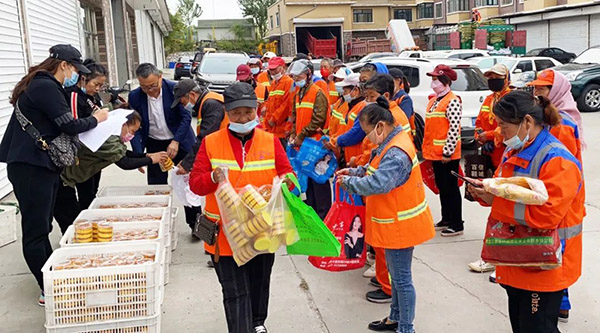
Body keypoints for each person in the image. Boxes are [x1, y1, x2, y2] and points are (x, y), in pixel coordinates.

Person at [0, 44, 108, 305]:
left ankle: (53, 275)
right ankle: (47, 287)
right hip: (30, 166)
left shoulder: (46, 85)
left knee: (46, 222)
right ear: (64, 66)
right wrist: (97, 119)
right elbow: (68, 124)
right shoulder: (45, 86)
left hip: (41, 165)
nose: (76, 77)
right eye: (75, 70)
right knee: (36, 229)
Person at [467, 91, 584, 333]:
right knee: (522, 327)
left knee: (537, 328)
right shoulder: (516, 151)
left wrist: (496, 200)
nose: (500, 132)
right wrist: (485, 190)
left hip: (544, 264)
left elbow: (547, 215)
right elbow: (509, 192)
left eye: (503, 126)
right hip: (518, 258)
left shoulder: (557, 160)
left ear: (527, 122)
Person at [189, 82, 295, 333]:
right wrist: (212, 178)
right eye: (237, 113)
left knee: (259, 284)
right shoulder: (211, 142)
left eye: (249, 112)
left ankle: (257, 323)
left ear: (256, 111)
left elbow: (288, 175)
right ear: (227, 112)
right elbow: (196, 184)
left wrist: (284, 185)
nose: (244, 117)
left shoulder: (270, 141)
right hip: (224, 234)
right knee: (235, 292)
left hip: (262, 230)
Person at [337, 97, 435, 333]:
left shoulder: (396, 152)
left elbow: (380, 182)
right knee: (396, 277)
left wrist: (350, 183)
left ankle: (406, 327)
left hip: (401, 226)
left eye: (368, 132)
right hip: (393, 223)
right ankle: (396, 318)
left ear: (380, 126)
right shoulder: (389, 143)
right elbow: (374, 169)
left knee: (401, 280)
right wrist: (355, 171)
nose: (367, 137)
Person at [527, 69, 585, 323]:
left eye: (543, 88)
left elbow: (559, 172)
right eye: (536, 87)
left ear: (558, 90)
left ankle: (559, 304)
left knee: (556, 253)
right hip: (559, 199)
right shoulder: (555, 119)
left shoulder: (560, 125)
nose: (537, 91)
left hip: (560, 202)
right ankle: (560, 303)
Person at [55, 112, 169, 230]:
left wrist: (145, 156)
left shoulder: (109, 131)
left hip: (71, 176)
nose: (132, 135)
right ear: (123, 124)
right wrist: (150, 160)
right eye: (132, 131)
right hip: (62, 178)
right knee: (71, 222)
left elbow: (123, 152)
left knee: (77, 217)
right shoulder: (107, 138)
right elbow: (124, 163)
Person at [128, 63, 196, 227]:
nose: (150, 91)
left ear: (160, 76)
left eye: (153, 86)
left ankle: (195, 223)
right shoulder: (135, 96)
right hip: (154, 143)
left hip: (180, 141)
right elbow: (135, 126)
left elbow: (186, 118)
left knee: (188, 184)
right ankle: (159, 223)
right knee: (156, 185)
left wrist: (176, 141)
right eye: (145, 87)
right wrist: (139, 155)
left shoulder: (175, 90)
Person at [468, 64, 512, 274]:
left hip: (504, 156)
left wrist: (491, 136)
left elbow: (506, 127)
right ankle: (497, 256)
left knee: (500, 208)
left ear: (507, 78)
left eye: (497, 77)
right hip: (491, 158)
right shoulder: (489, 99)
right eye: (490, 76)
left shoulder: (511, 98)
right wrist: (479, 134)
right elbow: (480, 121)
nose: (493, 80)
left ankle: (495, 256)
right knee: (494, 205)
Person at [172, 79, 226, 232]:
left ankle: (214, 233)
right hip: (218, 154)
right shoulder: (205, 103)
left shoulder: (211, 104)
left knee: (217, 200)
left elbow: (205, 137)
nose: (184, 106)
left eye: (183, 102)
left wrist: (188, 164)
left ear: (192, 94)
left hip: (223, 157)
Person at [423, 65, 464, 237]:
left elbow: (454, 128)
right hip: (434, 154)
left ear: (445, 81)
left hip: (447, 155)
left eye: (435, 79)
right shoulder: (434, 101)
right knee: (441, 187)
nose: (433, 82)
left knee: (451, 188)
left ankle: (456, 223)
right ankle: (446, 218)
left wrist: (448, 151)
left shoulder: (452, 100)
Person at [63, 59, 108, 211]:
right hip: (82, 153)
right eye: (96, 84)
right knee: (85, 192)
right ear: (83, 79)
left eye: (101, 86)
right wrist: (95, 118)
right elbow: (75, 125)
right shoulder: (74, 96)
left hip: (94, 148)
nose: (98, 88)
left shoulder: (92, 97)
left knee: (93, 189)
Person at [288, 59, 332, 220]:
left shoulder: (317, 93)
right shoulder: (298, 94)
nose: (296, 80)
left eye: (298, 76)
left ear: (308, 75)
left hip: (316, 144)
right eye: (294, 77)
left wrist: (301, 135)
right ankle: (313, 211)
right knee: (309, 178)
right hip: (305, 144)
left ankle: (324, 214)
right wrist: (294, 134)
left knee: (319, 178)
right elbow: (297, 117)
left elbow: (318, 119)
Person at [263, 57, 294, 148]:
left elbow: (286, 105)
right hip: (272, 129)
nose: (273, 72)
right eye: (271, 70)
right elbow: (269, 102)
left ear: (282, 67)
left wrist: (273, 119)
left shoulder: (289, 83)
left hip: (282, 130)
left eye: (275, 69)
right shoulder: (274, 83)